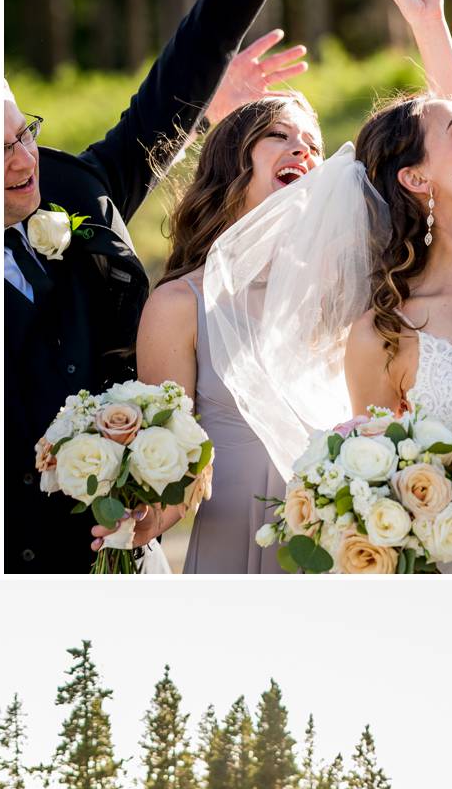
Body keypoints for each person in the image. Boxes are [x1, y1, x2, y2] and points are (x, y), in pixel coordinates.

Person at [4, 0, 272, 571]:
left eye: (24, 133)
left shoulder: (77, 185)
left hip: (127, 537)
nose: (22, 160)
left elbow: (162, 106)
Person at [136, 90, 324, 571]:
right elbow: (168, 468)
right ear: (231, 167)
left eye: (313, 145)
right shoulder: (180, 305)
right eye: (279, 135)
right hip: (234, 544)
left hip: (335, 540)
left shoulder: (341, 298)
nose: (302, 149)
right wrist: (137, 518)